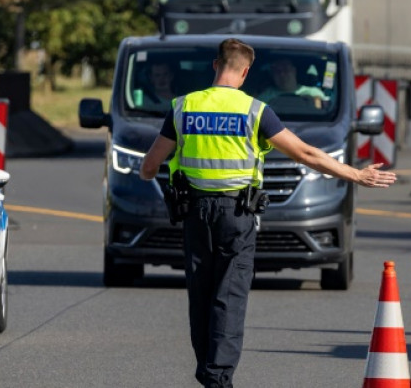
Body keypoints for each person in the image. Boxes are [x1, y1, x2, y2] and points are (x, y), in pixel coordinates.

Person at [139, 38, 396, 387]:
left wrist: (156, 174)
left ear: (215, 66)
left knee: (201, 292)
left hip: (195, 213)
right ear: (245, 72)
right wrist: (356, 174)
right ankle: (218, 378)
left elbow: (150, 165)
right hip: (237, 214)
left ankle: (207, 371)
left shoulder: (183, 107)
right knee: (229, 295)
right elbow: (306, 154)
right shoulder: (255, 111)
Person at [257, 58, 328, 107]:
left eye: (286, 69)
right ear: (272, 75)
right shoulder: (265, 96)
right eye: (277, 71)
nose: (282, 74)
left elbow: (320, 112)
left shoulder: (314, 93)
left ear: (294, 71)